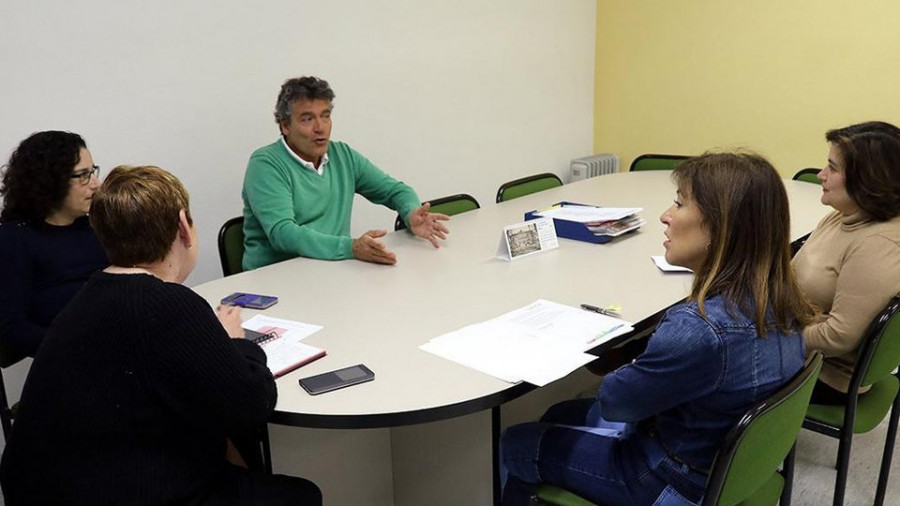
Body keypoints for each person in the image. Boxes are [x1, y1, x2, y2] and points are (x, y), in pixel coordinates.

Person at [500, 153, 815, 505]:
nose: (665, 216)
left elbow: (615, 403)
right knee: (559, 414)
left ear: (720, 226)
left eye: (679, 204)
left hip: (671, 479)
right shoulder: (784, 299)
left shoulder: (701, 329)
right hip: (719, 465)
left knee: (515, 443)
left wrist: (634, 362)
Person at [0, 166, 322, 506]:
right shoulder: (168, 304)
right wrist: (236, 343)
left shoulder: (90, 294)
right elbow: (253, 404)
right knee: (300, 495)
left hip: (43, 487)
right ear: (183, 226)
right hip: (120, 490)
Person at [241, 76, 450, 270]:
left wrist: (411, 212)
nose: (320, 127)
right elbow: (283, 234)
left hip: (332, 271)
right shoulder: (266, 164)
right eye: (307, 119)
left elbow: (395, 190)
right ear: (285, 126)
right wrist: (350, 248)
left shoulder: (342, 155)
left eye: (325, 116)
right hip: (276, 280)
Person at [793, 121, 900, 405]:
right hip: (798, 344)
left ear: (868, 179)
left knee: (700, 364)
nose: (820, 175)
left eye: (833, 168)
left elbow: (838, 337)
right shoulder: (843, 215)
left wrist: (768, 339)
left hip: (826, 375)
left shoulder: (879, 246)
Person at [0, 131, 108, 358]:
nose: (96, 184)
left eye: (92, 172)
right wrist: (81, 349)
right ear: (51, 181)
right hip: (71, 361)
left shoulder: (95, 225)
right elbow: (11, 329)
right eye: (83, 175)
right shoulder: (15, 240)